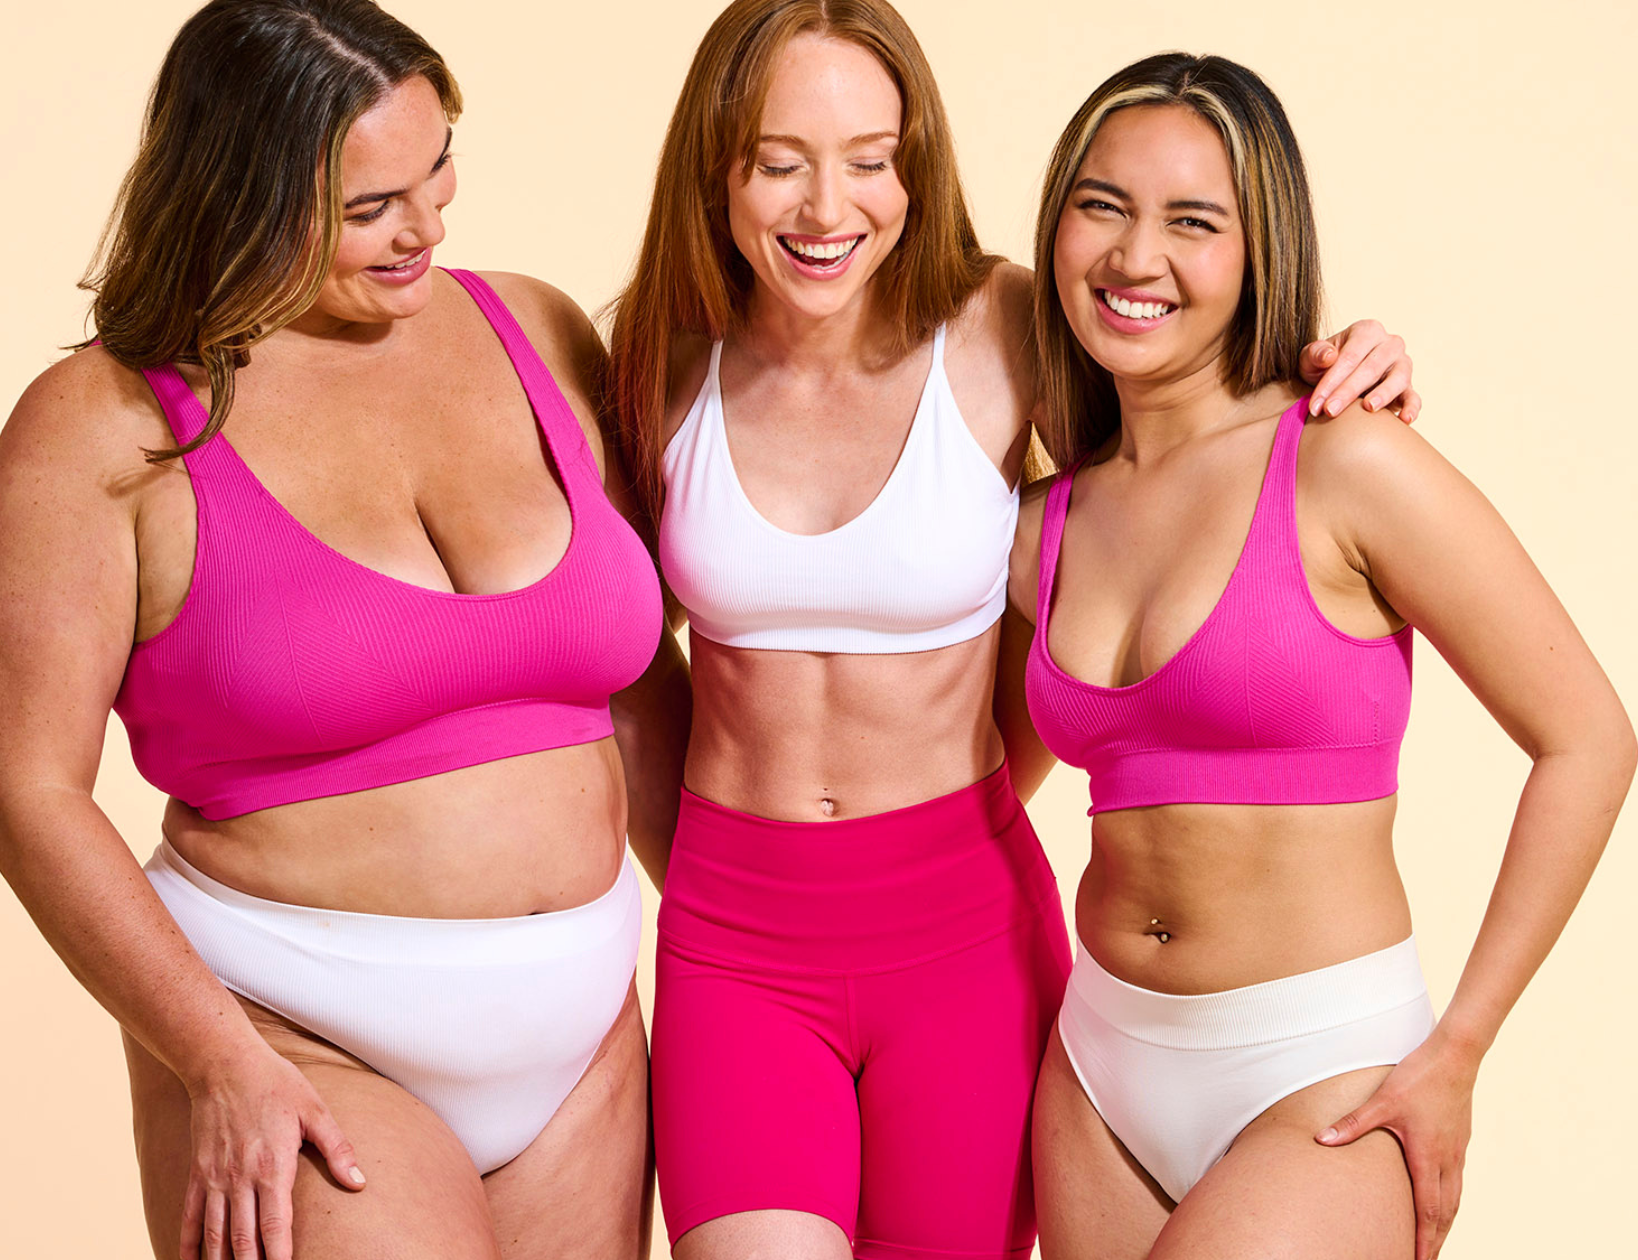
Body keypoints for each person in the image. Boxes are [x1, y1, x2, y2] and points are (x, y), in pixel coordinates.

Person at [607, 6, 1416, 1258]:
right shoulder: (658, 357)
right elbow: (610, 649)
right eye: (779, 160)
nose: (829, 206)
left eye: (870, 158)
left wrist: (1343, 358)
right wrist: (717, 866)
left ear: (914, 164)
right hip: (735, 945)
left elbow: (1181, 457)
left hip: (961, 936)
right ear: (713, 167)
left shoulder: (1004, 324)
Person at [0, 3, 687, 1257]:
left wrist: (766, 960)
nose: (428, 227)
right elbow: (22, 788)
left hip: (582, 1041)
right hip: (291, 1035)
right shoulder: (105, 427)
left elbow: (642, 692)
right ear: (238, 195)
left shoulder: (538, 329)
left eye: (438, 165)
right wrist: (214, 1060)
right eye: (367, 209)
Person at [1001, 52, 1638, 1260]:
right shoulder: (1042, 523)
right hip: (1095, 1066)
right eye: (1101, 206)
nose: (1135, 259)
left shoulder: (1346, 461)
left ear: (1259, 252)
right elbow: (969, 787)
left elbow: (1587, 742)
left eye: (1193, 222)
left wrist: (1456, 1050)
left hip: (1320, 1069)